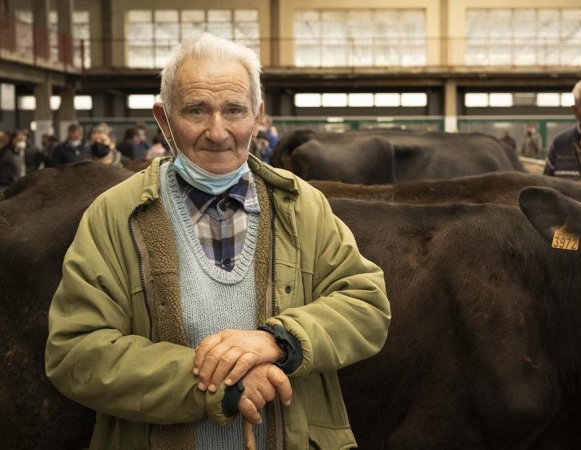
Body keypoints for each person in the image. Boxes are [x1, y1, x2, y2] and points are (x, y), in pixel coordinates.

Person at [45, 33, 391, 450]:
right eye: (196, 110)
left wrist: (277, 341)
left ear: (258, 116)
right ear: (163, 118)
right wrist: (223, 386)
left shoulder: (302, 206)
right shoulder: (115, 215)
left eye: (234, 110)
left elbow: (367, 303)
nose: (218, 131)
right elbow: (76, 351)